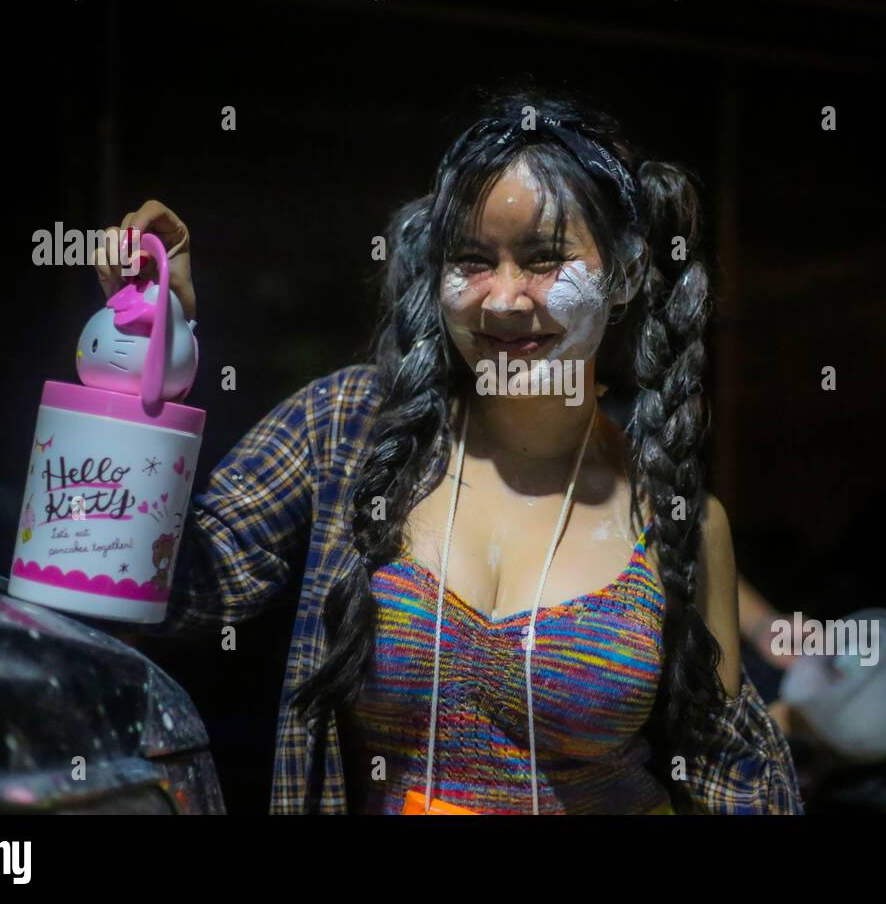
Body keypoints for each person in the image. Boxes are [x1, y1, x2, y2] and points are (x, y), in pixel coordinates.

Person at [91, 87, 802, 815]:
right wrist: (146, 361)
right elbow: (142, 593)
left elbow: (734, 784)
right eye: (472, 259)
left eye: (543, 258)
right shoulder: (351, 431)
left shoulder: (677, 519)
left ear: (621, 274)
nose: (501, 300)